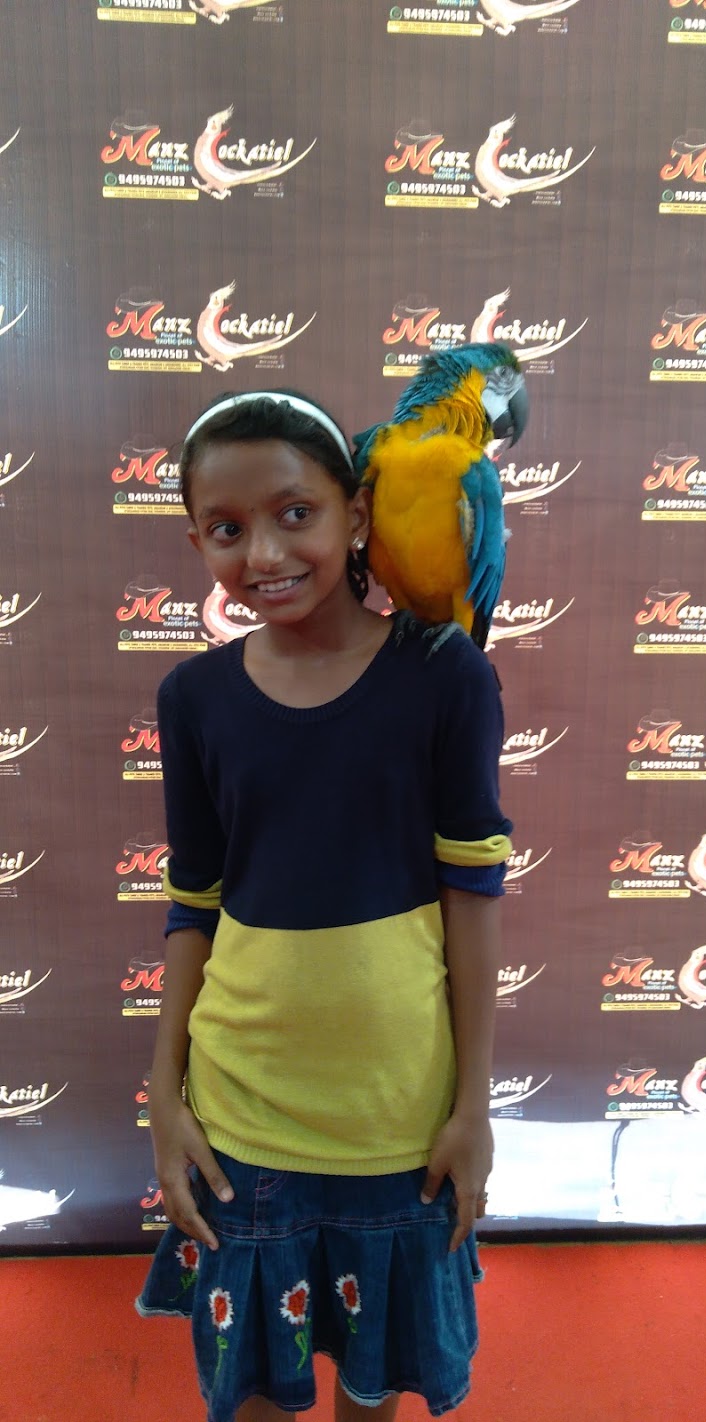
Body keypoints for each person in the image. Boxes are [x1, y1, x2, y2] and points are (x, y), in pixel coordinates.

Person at [136, 390, 512, 1422]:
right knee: (252, 1389)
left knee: (371, 1389)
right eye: (226, 528)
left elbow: (473, 890)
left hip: (399, 1120)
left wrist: (472, 1105)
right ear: (199, 542)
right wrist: (164, 1096)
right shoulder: (192, 698)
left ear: (356, 513)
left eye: (294, 513)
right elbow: (193, 905)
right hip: (241, 1119)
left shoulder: (443, 674)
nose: (263, 553)